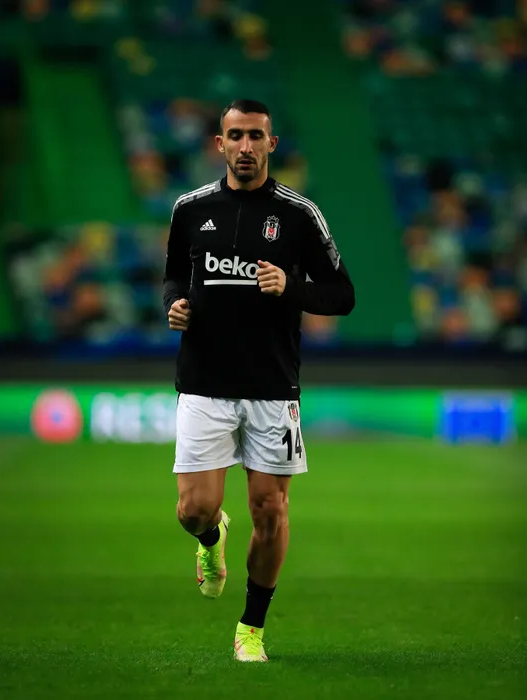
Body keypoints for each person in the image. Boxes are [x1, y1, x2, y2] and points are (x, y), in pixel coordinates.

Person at [163, 99, 355, 662]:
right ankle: (211, 538)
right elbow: (173, 276)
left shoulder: (299, 214)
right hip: (204, 381)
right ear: (219, 144)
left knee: (271, 511)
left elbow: (342, 294)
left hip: (272, 386)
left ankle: (251, 629)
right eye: (235, 136)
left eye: (255, 136)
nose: (245, 146)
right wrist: (174, 303)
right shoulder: (189, 209)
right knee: (193, 510)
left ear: (271, 143)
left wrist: (292, 288)